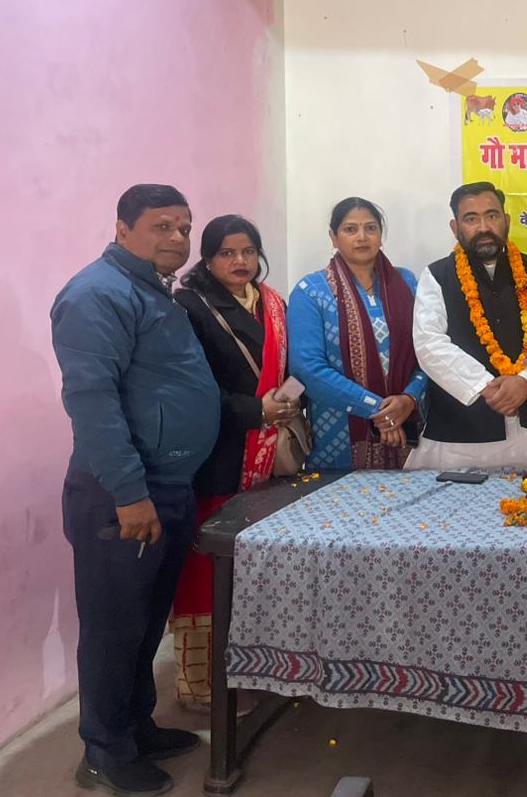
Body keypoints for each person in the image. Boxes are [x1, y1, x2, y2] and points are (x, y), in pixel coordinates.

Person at [51, 184, 219, 796]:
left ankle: (135, 726)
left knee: (145, 623)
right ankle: (104, 751)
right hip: (121, 494)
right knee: (114, 628)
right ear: (123, 229)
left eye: (185, 227)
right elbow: (92, 401)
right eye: (162, 226)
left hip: (166, 484)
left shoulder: (152, 289)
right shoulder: (96, 294)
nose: (178, 237)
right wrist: (128, 494)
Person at [170, 215, 297, 708]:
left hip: (269, 454)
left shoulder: (273, 303)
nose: (240, 261)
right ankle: (201, 685)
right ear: (207, 259)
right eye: (227, 253)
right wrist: (255, 411)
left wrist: (286, 405)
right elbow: (192, 387)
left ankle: (252, 668)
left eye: (248, 251)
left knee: (257, 565)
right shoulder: (189, 307)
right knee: (208, 568)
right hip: (219, 453)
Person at [408, 183, 527, 470]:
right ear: (455, 227)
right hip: (458, 434)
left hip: (526, 430)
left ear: (506, 221)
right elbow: (429, 343)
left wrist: (525, 382)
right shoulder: (437, 275)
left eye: (492, 215)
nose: (484, 227)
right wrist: (485, 387)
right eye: (471, 218)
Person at [288, 198, 428, 470]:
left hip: (409, 430)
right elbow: (308, 369)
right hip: (338, 435)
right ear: (333, 237)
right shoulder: (311, 291)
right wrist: (378, 410)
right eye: (350, 229)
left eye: (370, 228)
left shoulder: (407, 283)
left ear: (380, 235)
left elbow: (427, 351)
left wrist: (409, 399)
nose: (362, 237)